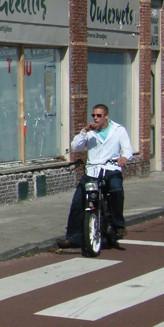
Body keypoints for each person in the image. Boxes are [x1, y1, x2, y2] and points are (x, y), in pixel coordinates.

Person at [57, 104, 133, 249]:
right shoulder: (90, 132)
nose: (95, 118)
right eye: (94, 115)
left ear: (106, 116)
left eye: (99, 115)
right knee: (78, 202)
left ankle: (118, 225)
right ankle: (73, 238)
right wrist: (85, 130)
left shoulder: (119, 130)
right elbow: (75, 146)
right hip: (92, 170)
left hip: (111, 168)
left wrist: (123, 157)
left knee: (116, 189)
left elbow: (127, 149)